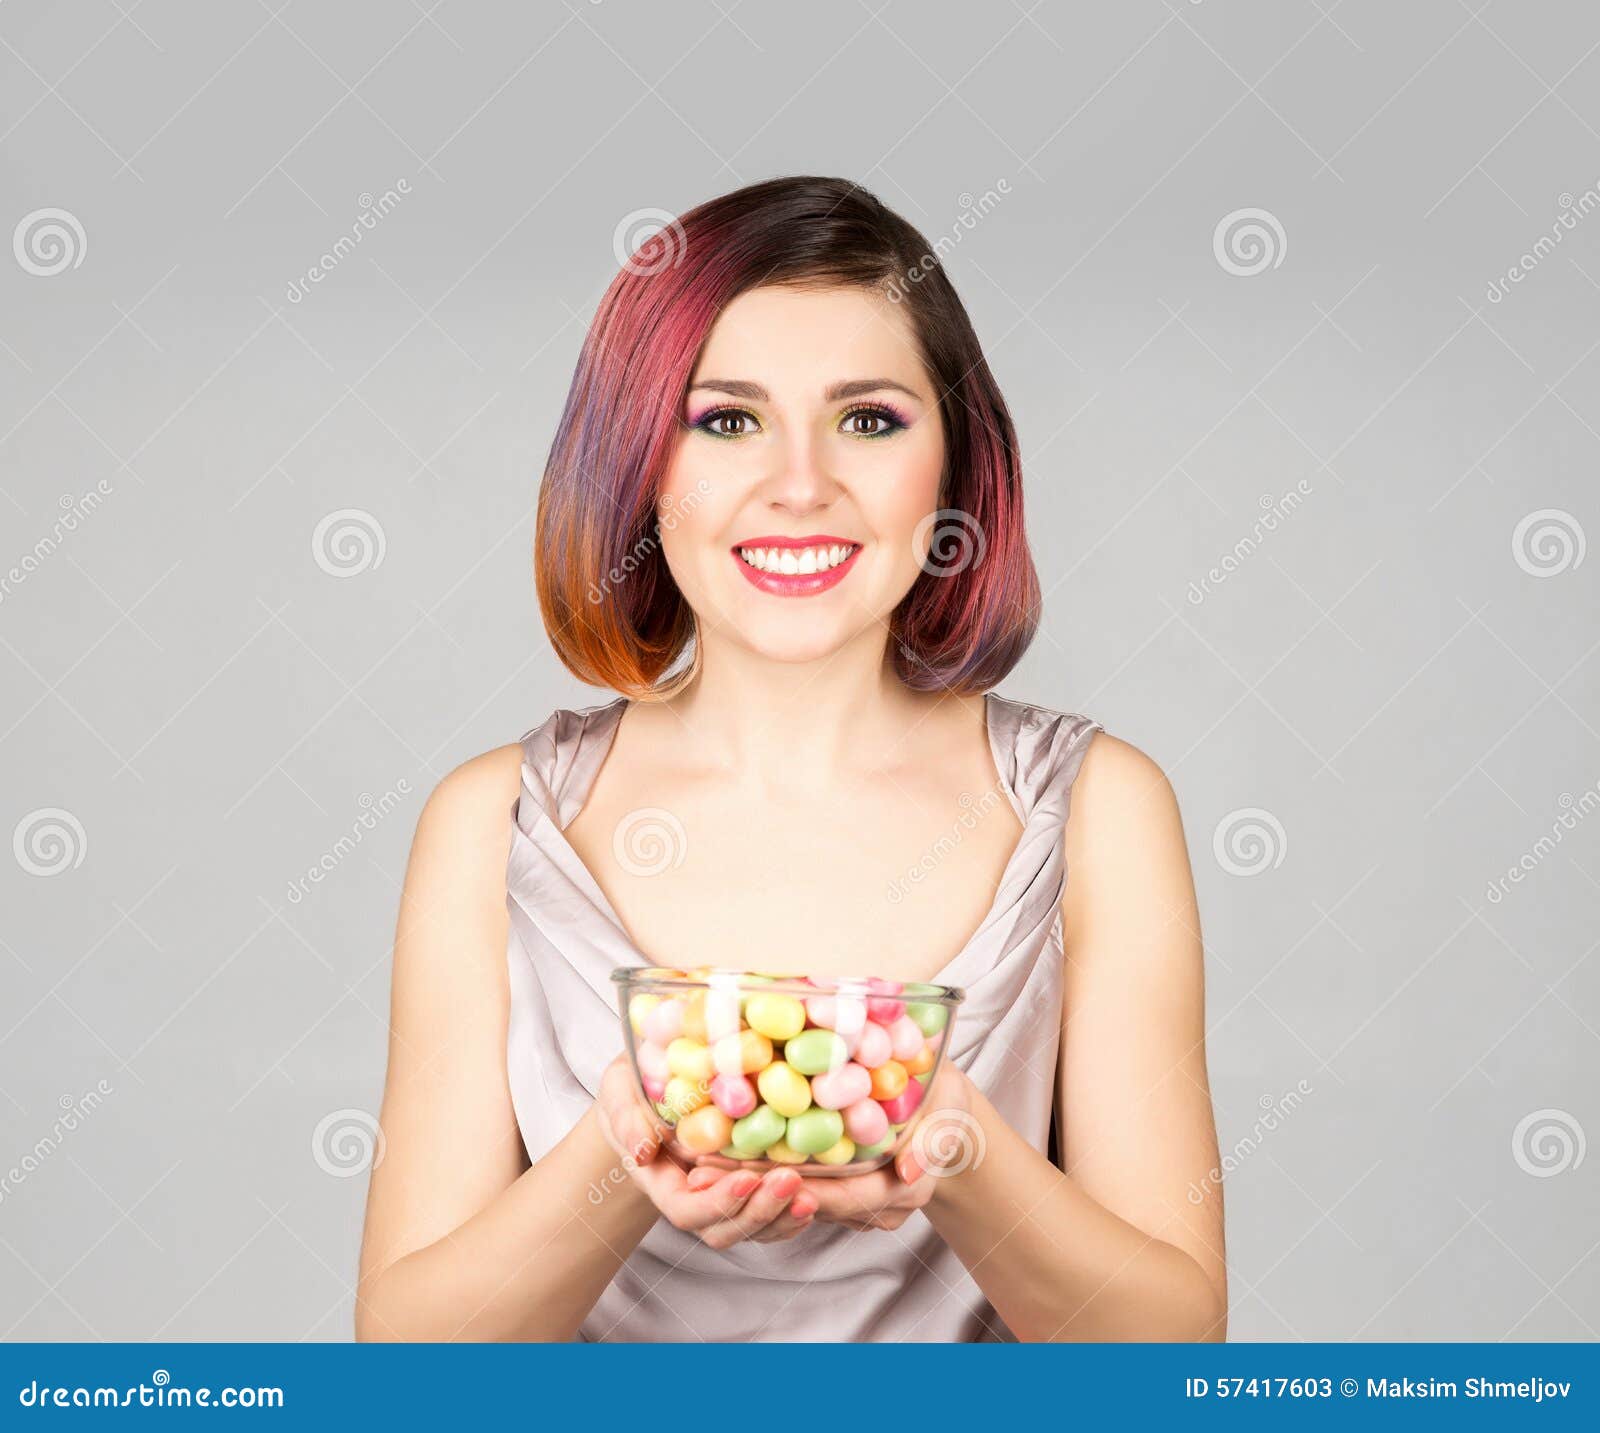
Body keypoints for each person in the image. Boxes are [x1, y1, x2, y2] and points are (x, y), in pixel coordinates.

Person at [355, 176, 1226, 1342]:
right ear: (638, 467)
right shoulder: (494, 821)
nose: (801, 484)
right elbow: (407, 1363)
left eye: (869, 419)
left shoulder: (1095, 809)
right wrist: (625, 1154)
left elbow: (1169, 1350)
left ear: (957, 471)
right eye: (725, 419)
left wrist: (951, 1146)